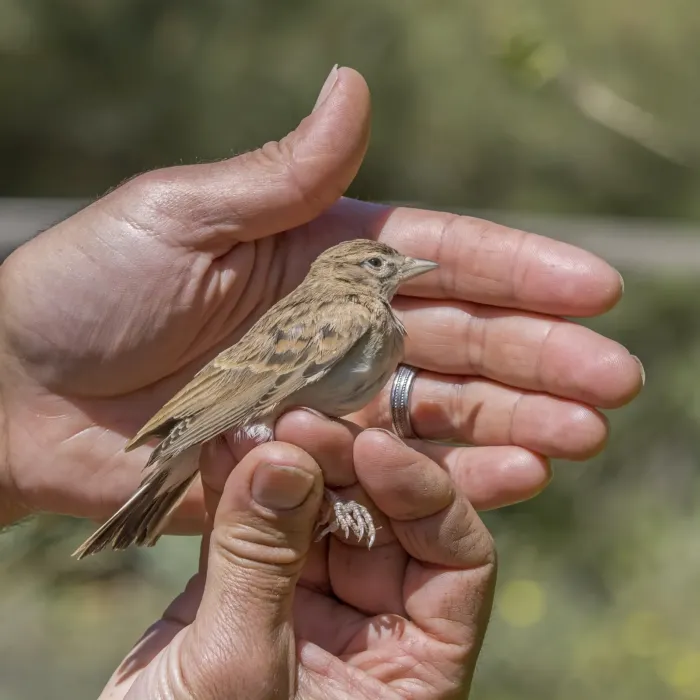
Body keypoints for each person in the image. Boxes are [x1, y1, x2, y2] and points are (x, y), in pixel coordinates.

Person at [0, 67, 642, 698]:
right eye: (378, 262)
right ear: (354, 274)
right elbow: (251, 400)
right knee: (290, 466)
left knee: (307, 464)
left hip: (239, 427)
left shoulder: (378, 325)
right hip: (229, 420)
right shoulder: (346, 311)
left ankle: (315, 509)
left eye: (394, 264)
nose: (399, 270)